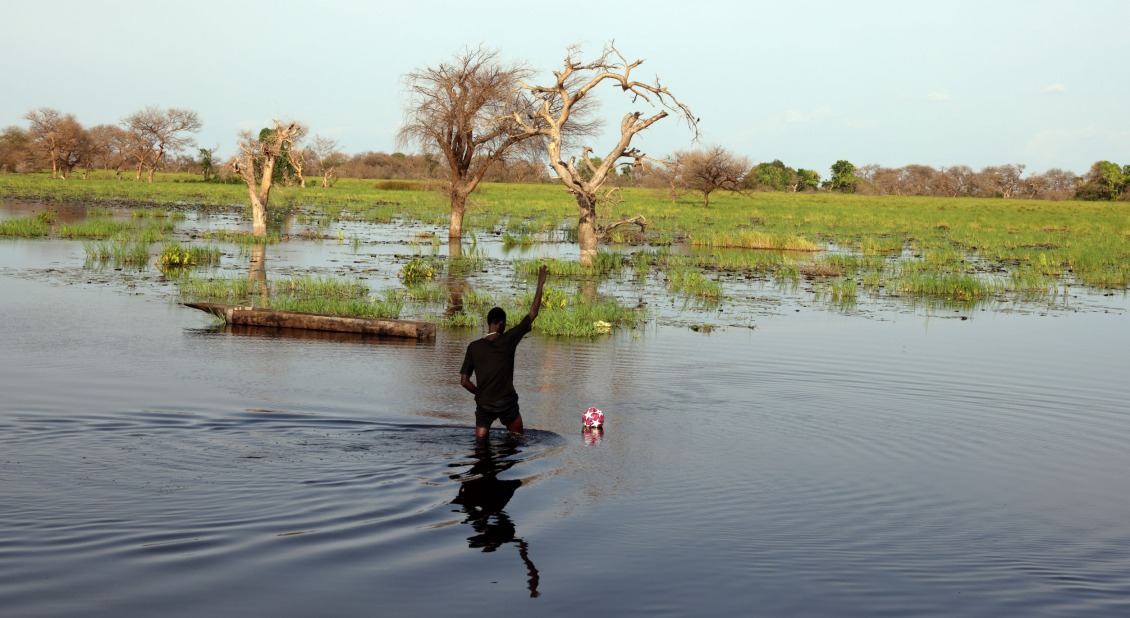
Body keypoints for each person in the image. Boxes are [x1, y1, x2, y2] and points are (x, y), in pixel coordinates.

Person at [460, 264, 548, 439]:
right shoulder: (508, 339)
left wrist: (481, 393)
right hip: (506, 402)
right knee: (518, 440)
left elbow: (464, 381)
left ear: (489, 323)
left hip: (484, 404)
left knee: (480, 447)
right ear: (501, 324)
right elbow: (532, 313)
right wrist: (540, 284)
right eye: (504, 324)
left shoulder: (474, 347)